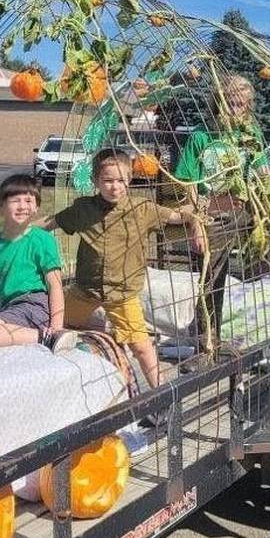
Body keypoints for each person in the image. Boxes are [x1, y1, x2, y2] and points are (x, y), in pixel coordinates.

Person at [173, 73, 270, 356]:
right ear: (217, 103)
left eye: (240, 105)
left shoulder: (250, 135)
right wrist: (197, 225)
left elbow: (265, 180)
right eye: (229, 103)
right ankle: (206, 346)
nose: (234, 110)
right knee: (211, 278)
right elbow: (187, 185)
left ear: (248, 107)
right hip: (214, 214)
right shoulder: (201, 136)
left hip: (249, 211)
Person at [41, 148, 200, 393]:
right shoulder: (83, 210)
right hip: (85, 289)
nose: (115, 187)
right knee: (56, 323)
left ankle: (164, 396)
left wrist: (197, 221)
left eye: (121, 181)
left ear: (130, 180)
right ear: (95, 181)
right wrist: (21, 234)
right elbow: (52, 222)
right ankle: (89, 354)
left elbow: (180, 216)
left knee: (141, 346)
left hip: (122, 294)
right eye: (108, 180)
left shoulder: (143, 209)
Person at [0, 175, 72, 351]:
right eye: (15, 200)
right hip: (6, 306)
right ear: (0, 207)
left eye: (28, 200)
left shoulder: (42, 240)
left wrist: (56, 326)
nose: (22, 206)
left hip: (32, 304)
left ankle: (48, 338)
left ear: (36, 207)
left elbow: (55, 285)